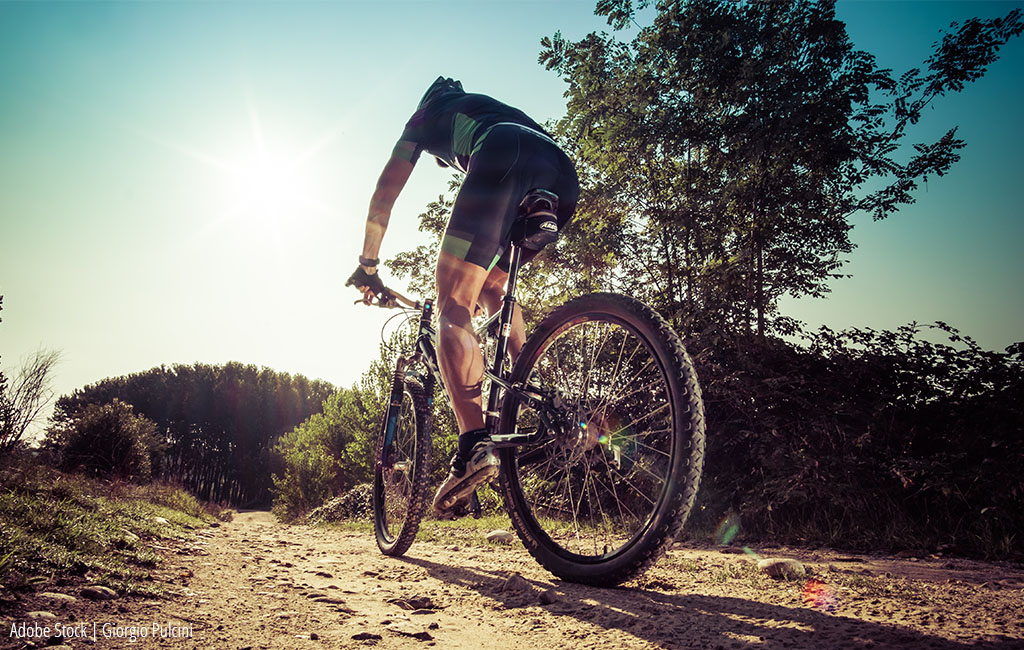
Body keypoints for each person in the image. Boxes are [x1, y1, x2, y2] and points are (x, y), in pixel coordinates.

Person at [347, 76, 578, 516]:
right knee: (491, 287)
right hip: (561, 177)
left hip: (503, 153)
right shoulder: (481, 106)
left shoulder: (425, 115)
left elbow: (384, 195)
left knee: (452, 305)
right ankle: (532, 392)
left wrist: (369, 266)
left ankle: (473, 444)